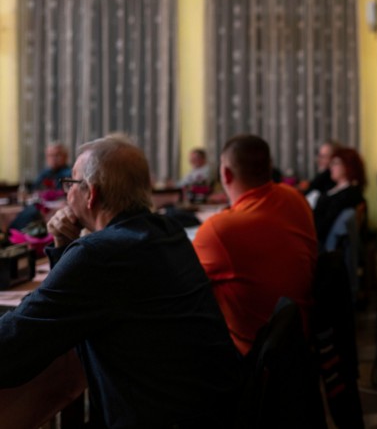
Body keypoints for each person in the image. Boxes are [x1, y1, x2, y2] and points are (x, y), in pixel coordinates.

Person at [0, 136, 242, 427]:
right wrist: (64, 246)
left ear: (91, 194)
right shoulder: (167, 230)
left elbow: (12, 347)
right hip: (219, 409)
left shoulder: (99, 254)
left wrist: (73, 251)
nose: (67, 194)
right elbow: (73, 304)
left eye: (71, 183)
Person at [191, 134, 318, 356]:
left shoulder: (219, 230)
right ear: (269, 167)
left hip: (251, 357)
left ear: (226, 174)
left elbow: (181, 287)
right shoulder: (295, 198)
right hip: (298, 344)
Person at [312, 146, 366, 251]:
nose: (331, 167)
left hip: (321, 245)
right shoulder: (336, 189)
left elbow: (325, 224)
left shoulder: (350, 194)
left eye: (335, 163)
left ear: (348, 166)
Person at [302, 139, 340, 207]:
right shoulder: (322, 177)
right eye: (319, 156)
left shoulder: (326, 178)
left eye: (323, 157)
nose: (319, 160)